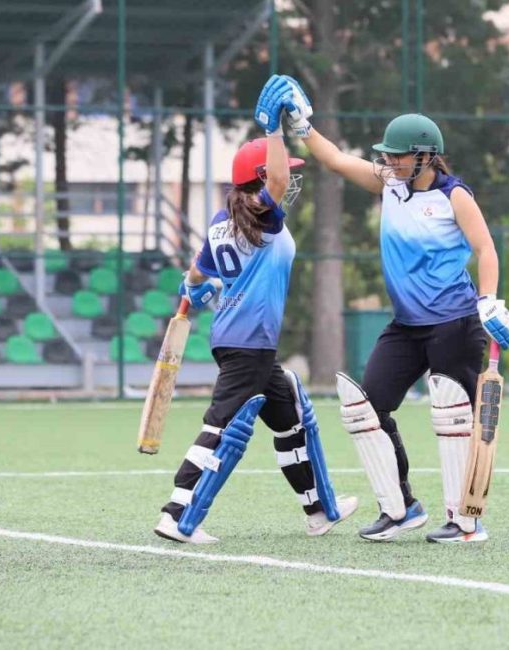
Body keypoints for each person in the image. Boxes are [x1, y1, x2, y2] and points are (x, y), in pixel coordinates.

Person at [264, 75, 509, 544]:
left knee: (453, 417)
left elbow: (486, 249)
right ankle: (401, 509)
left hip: (455, 323)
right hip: (407, 325)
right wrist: (301, 125)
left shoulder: (454, 196)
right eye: (387, 155)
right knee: (368, 407)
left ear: (425, 156)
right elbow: (336, 160)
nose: (389, 161)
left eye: (398, 155)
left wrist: (489, 300)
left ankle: (465, 521)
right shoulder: (390, 184)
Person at [153, 80, 358, 544]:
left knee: (291, 416)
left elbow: (198, 269)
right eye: (281, 171)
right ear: (261, 176)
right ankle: (177, 514)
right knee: (222, 427)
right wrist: (274, 131)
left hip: (243, 341)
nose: (290, 179)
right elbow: (279, 182)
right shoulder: (261, 212)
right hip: (247, 344)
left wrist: (195, 288)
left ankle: (319, 510)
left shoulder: (223, 219)